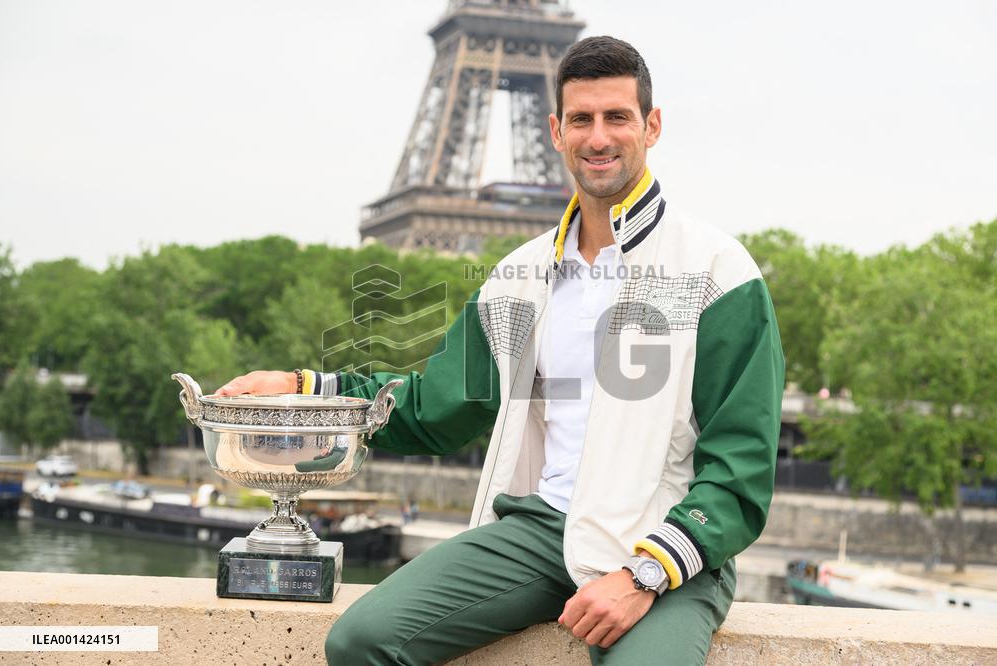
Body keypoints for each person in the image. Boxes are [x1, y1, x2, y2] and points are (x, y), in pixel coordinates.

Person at [217, 36, 784, 665]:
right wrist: (303, 388)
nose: (598, 137)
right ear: (556, 131)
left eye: (617, 117)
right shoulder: (521, 274)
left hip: (663, 548)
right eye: (581, 119)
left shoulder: (717, 270)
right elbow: (434, 408)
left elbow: (740, 471)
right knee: (360, 641)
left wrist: (642, 576)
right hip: (541, 533)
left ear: (652, 126)